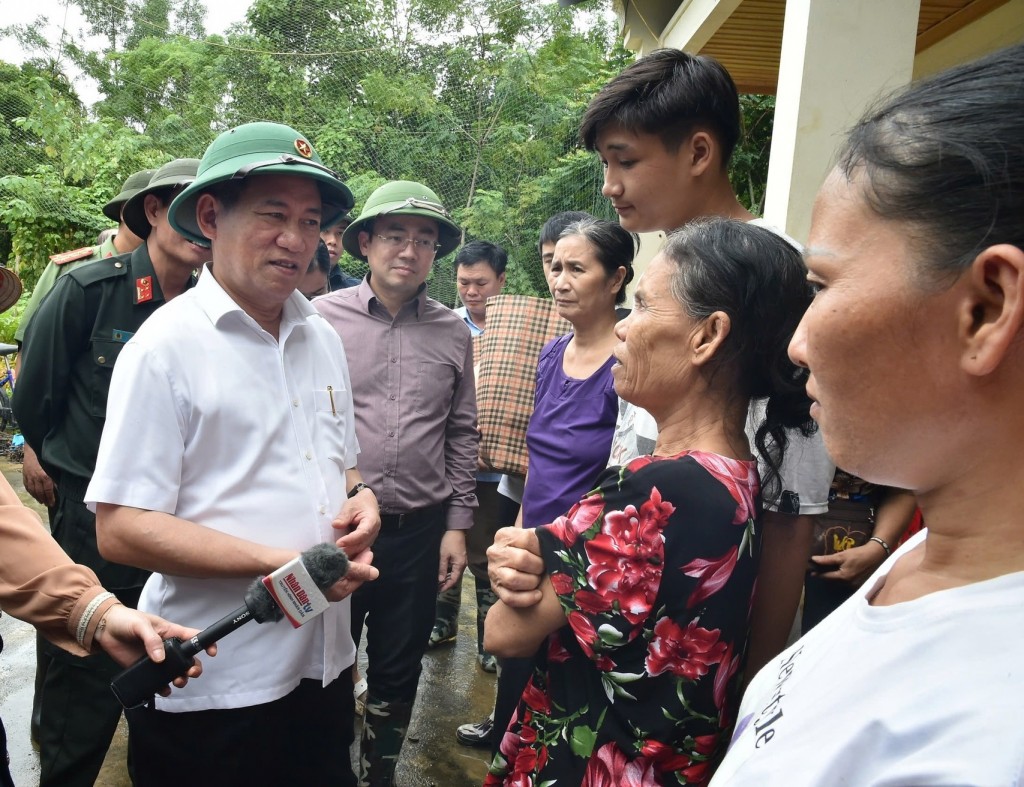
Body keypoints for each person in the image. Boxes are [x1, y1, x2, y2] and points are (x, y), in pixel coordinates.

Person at [709, 43, 1024, 784]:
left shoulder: (987, 738)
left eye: (821, 285)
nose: (797, 343)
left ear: (986, 308)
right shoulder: (936, 556)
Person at [87, 122, 380, 786]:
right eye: (274, 215)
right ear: (211, 216)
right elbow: (120, 525)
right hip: (218, 677)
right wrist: (287, 567)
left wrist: (362, 499)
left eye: (310, 221)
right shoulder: (165, 349)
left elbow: (343, 465)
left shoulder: (321, 335)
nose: (297, 239)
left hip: (323, 665)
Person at [483, 219, 814, 784]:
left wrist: (528, 560)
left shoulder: (651, 493)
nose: (622, 330)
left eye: (639, 307)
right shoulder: (739, 479)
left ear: (706, 336)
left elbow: (502, 634)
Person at [579, 48, 834, 675]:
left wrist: (754, 683)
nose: (610, 185)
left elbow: (791, 512)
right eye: (606, 163)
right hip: (635, 609)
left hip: (703, 645)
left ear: (698, 153)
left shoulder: (776, 284)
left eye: (626, 161)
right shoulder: (668, 269)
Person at [12, 157, 208, 787]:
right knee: (83, 682)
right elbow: (34, 401)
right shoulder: (90, 290)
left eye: (214, 209)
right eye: (185, 207)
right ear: (153, 213)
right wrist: (73, 473)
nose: (203, 225)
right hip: (92, 518)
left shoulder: (217, 310)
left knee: (170, 664)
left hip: (181, 526)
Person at [313, 180, 477, 786]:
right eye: (394, 236)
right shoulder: (320, 322)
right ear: (365, 244)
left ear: (436, 254)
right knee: (325, 661)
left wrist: (458, 525)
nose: (409, 250)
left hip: (416, 532)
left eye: (425, 240)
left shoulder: (452, 332)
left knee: (398, 665)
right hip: (336, 529)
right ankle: (329, 770)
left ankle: (379, 772)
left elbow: (461, 433)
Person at [462, 217, 635, 751]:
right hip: (534, 542)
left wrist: (561, 549)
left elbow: (625, 477)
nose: (559, 280)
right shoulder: (552, 353)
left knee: (567, 693)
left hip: (586, 557)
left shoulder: (628, 362)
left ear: (615, 279)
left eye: (577, 269)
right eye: (555, 267)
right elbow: (540, 457)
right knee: (517, 672)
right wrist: (518, 529)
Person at [15, 168, 154, 526]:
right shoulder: (74, 272)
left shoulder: (180, 285)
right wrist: (33, 451)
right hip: (74, 466)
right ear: (129, 213)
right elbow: (30, 356)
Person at [429, 241, 518, 674]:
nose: (472, 291)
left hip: (496, 473)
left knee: (484, 555)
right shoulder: (445, 325)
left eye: (481, 282)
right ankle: (442, 623)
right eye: (464, 283)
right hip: (449, 465)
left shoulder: (517, 331)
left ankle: (488, 637)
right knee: (443, 548)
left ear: (502, 280)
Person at [321, 212, 361, 290]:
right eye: (325, 230)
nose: (332, 241)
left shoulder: (355, 290)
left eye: (340, 233)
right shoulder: (291, 283)